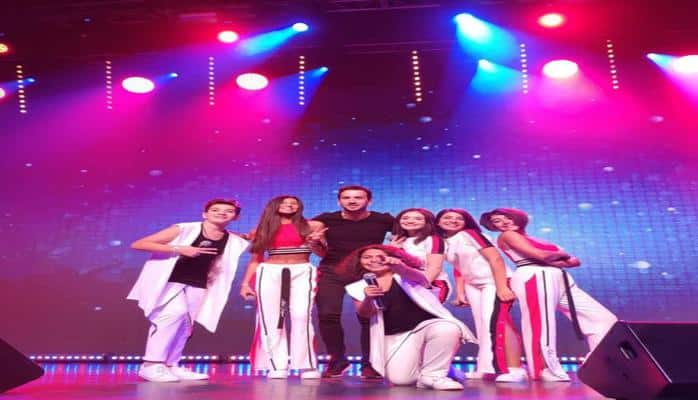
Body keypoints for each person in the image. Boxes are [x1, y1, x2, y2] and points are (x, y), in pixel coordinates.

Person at [480, 208, 618, 382]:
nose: (504, 222)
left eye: (507, 217)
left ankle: (598, 362)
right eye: (497, 221)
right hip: (534, 275)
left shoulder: (537, 239)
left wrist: (555, 257)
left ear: (517, 217)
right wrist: (561, 255)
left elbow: (575, 262)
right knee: (540, 325)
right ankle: (544, 369)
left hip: (560, 278)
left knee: (603, 319)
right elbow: (541, 256)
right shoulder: (507, 236)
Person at [127, 199, 249, 382]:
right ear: (205, 214)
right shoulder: (184, 228)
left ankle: (171, 365)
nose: (222, 213)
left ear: (235, 217)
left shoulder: (232, 238)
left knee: (185, 325)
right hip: (169, 281)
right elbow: (139, 244)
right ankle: (151, 365)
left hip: (197, 283)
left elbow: (251, 237)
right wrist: (179, 248)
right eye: (215, 209)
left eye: (228, 211)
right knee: (172, 315)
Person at [342, 245, 476, 390]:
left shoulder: (406, 276)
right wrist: (368, 298)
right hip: (395, 336)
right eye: (367, 257)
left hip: (426, 326)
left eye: (379, 256)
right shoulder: (358, 287)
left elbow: (422, 279)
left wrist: (401, 267)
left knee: (447, 328)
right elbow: (365, 314)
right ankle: (441, 368)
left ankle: (434, 375)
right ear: (360, 262)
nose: (374, 260)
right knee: (401, 380)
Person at [310, 185, 394, 379]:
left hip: (367, 270)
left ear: (369, 201)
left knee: (369, 317)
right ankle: (337, 361)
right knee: (327, 314)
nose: (352, 201)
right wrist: (315, 241)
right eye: (346, 198)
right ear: (339, 201)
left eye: (358, 197)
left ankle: (370, 363)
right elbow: (302, 230)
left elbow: (411, 230)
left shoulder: (382, 220)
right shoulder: (327, 219)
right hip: (332, 269)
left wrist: (393, 249)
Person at [435, 208, 526, 383]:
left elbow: (495, 259)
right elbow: (459, 267)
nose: (453, 220)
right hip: (473, 284)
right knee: (483, 324)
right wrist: (460, 292)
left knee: (496, 322)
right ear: (438, 222)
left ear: (466, 222)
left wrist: (502, 287)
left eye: (459, 218)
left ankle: (515, 368)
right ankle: (486, 367)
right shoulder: (443, 242)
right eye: (448, 217)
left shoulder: (470, 234)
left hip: (494, 281)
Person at [238, 196, 324, 379]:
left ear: (299, 206)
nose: (289, 205)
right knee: (271, 319)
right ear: (275, 206)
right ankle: (277, 365)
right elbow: (255, 260)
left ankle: (306, 365)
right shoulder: (263, 228)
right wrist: (245, 283)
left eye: (293, 202)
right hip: (270, 272)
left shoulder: (313, 226)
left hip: (302, 271)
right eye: (284, 203)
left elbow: (323, 253)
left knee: (301, 315)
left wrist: (315, 242)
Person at [389, 208, 451, 303]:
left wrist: (420, 288)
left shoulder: (433, 239)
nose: (410, 221)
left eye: (418, 219)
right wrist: (391, 249)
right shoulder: (398, 241)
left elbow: (435, 268)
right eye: (405, 218)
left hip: (432, 283)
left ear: (428, 222)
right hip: (404, 284)